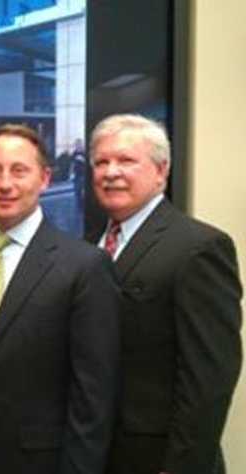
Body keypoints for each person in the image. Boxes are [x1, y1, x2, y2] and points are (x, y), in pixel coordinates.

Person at [0, 124, 121, 474]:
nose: (5, 184)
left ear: (44, 179)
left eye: (19, 171)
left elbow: (94, 396)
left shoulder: (84, 266)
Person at [89, 114, 242, 474]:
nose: (111, 172)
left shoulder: (199, 247)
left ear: (161, 171)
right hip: (99, 455)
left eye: (126, 160)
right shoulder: (88, 247)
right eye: (101, 162)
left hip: (161, 460)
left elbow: (209, 378)